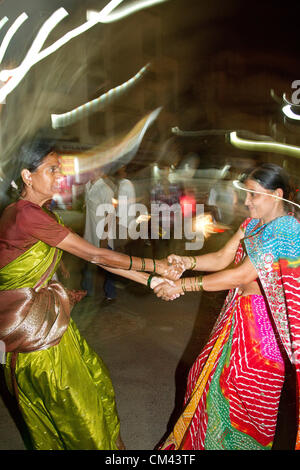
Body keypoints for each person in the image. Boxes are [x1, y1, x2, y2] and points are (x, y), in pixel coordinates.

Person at [0, 138, 180, 451]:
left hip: (51, 326)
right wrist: (157, 267)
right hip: (37, 341)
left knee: (97, 387)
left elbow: (87, 258)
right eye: (52, 170)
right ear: (27, 176)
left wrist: (149, 280)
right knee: (81, 418)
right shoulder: (27, 216)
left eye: (61, 170)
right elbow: (97, 256)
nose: (61, 177)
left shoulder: (32, 213)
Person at [154, 163, 300, 450]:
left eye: (253, 194)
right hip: (237, 320)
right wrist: (187, 262)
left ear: (277, 194)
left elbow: (242, 274)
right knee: (207, 381)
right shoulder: (253, 225)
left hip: (263, 335)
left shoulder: (287, 229)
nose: (246, 201)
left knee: (243, 400)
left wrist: (182, 286)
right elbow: (223, 258)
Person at [82, 168, 117, 302]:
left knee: (109, 266)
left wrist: (104, 237)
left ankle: (110, 293)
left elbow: (109, 215)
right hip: (89, 234)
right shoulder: (87, 186)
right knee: (88, 264)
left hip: (102, 235)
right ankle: (87, 291)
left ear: (102, 172)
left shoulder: (106, 190)